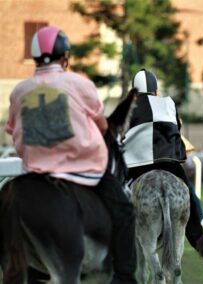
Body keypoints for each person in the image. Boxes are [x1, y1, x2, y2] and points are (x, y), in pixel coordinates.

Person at [5, 26, 136, 284]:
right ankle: (124, 277)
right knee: (125, 212)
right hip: (82, 170)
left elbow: (12, 130)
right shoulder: (78, 83)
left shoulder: (19, 91)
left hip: (34, 170)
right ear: (64, 57)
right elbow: (102, 125)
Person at [122, 68, 203, 249]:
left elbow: (122, 137)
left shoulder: (127, 106)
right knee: (188, 192)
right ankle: (199, 238)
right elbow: (176, 129)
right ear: (155, 90)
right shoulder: (168, 102)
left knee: (117, 197)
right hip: (168, 162)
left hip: (137, 165)